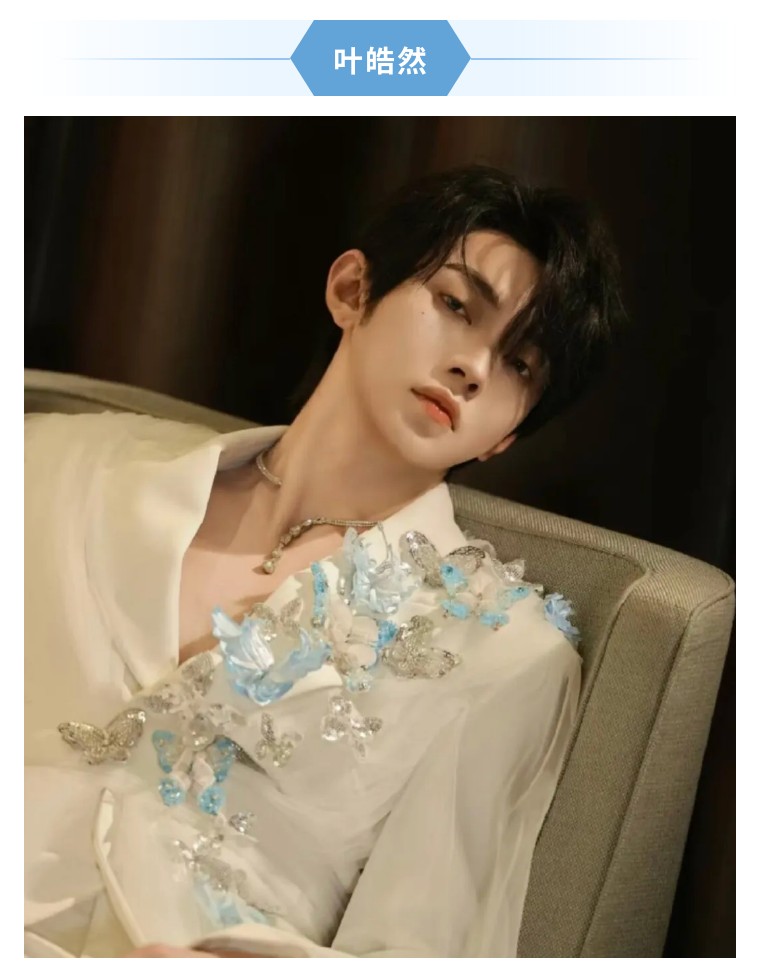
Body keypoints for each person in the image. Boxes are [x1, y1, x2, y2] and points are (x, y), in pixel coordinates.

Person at [24, 165, 625, 957]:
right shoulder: (62, 464)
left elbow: (424, 949)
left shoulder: (507, 656)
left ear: (508, 434)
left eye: (521, 364)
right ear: (351, 290)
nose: (475, 368)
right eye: (456, 305)